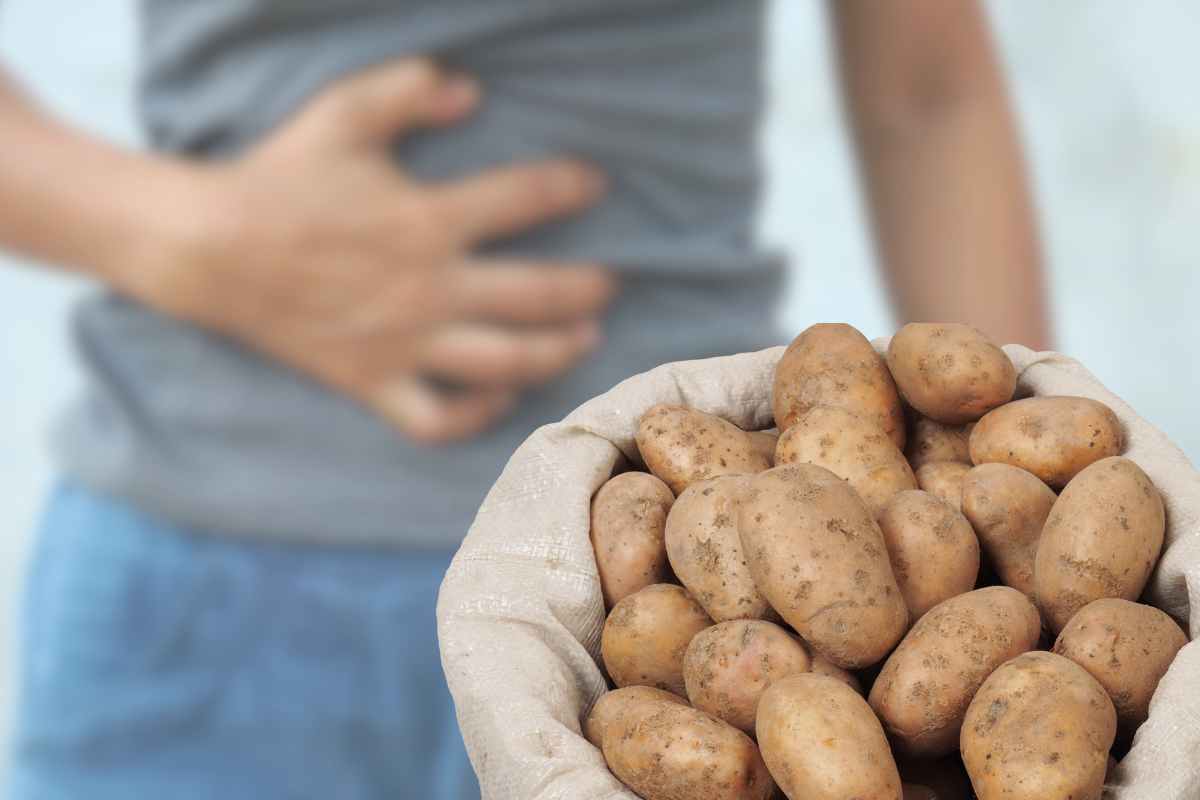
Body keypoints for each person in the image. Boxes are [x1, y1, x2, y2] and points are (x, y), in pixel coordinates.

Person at [0, 1, 1050, 797]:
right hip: (210, 609)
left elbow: (928, 88)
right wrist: (188, 238)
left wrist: (1041, 525)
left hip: (682, 623)